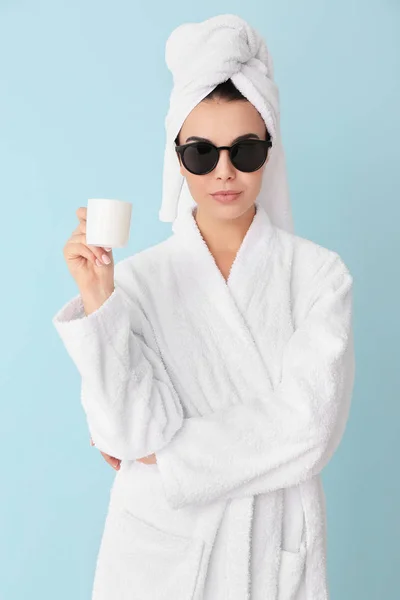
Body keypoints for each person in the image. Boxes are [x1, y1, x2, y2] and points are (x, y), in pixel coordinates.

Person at [52, 15, 355, 600]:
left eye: (245, 149)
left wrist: (165, 455)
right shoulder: (135, 284)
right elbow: (126, 431)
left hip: (270, 550)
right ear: (177, 157)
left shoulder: (319, 276)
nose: (224, 172)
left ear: (269, 152)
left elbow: (311, 425)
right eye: (200, 152)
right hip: (159, 558)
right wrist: (99, 300)